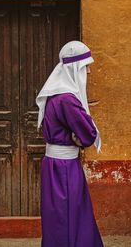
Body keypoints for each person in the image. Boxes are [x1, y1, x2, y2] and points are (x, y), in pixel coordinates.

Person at [36, 41, 104, 247]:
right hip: (64, 168)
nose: (89, 71)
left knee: (58, 216)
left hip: (54, 165)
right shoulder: (67, 99)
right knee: (69, 216)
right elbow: (88, 134)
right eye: (85, 66)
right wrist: (80, 137)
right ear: (75, 68)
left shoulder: (55, 95)